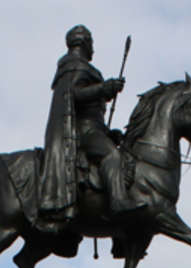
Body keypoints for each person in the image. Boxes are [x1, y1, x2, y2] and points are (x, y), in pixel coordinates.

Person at [39, 24, 141, 223]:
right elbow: (74, 95)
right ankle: (118, 201)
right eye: (91, 43)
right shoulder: (75, 66)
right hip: (82, 133)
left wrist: (108, 132)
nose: (93, 48)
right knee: (112, 155)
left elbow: (91, 112)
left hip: (93, 129)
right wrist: (104, 88)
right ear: (85, 43)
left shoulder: (74, 66)